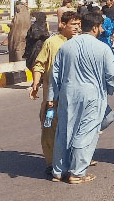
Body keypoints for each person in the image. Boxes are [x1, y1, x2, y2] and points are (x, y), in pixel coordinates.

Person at [48, 12, 114, 184]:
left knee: (64, 131)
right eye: (101, 26)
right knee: (86, 133)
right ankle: (77, 173)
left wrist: (52, 97)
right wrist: (109, 90)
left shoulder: (66, 46)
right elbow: (111, 75)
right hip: (92, 96)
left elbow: (54, 74)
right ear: (95, 27)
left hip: (68, 94)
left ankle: (58, 171)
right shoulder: (103, 48)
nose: (102, 29)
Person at [29, 11, 81, 176]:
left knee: (74, 128)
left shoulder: (81, 42)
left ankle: (75, 159)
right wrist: (36, 83)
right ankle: (51, 162)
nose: (77, 28)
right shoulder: (52, 43)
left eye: (78, 25)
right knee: (49, 127)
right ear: (63, 24)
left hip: (74, 96)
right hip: (52, 97)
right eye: (73, 24)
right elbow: (39, 64)